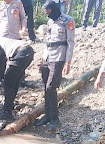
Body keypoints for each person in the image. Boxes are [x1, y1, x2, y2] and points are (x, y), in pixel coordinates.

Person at [35, 1, 75, 131]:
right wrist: (42, 59)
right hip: (48, 56)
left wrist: (67, 62)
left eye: (48, 13)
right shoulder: (50, 21)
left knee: (51, 87)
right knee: (46, 87)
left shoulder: (68, 20)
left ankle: (54, 119)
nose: (47, 16)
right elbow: (48, 41)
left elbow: (70, 42)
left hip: (59, 57)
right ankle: (47, 115)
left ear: (54, 9)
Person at [0, 0, 34, 88]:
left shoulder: (18, 3)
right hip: (4, 36)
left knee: (18, 57)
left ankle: (21, 79)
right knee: (3, 58)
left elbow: (23, 17)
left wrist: (23, 28)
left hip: (16, 35)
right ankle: (3, 79)